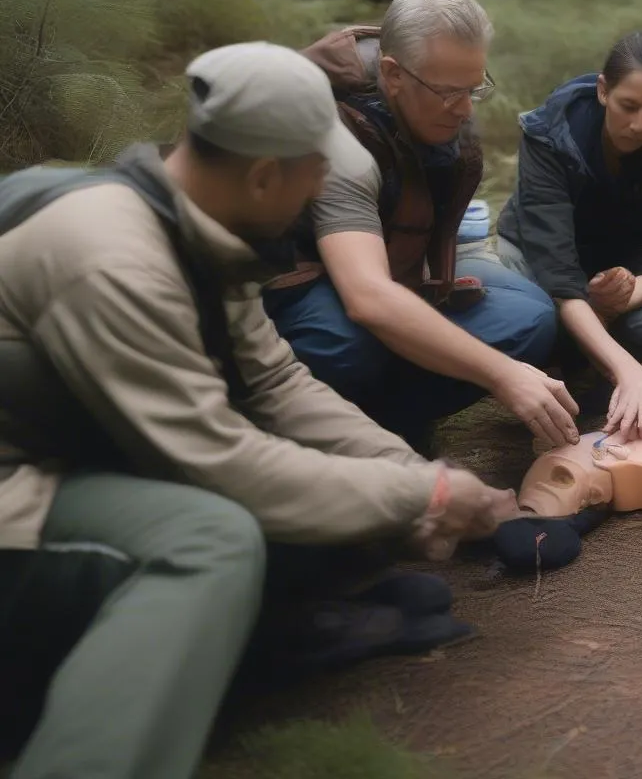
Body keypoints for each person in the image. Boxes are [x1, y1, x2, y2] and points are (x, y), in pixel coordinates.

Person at [0, 41, 517, 779]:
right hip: (18, 494)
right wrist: (422, 495)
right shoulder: (116, 258)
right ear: (266, 174)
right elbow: (218, 463)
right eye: (316, 174)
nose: (319, 192)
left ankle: (242, 640)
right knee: (212, 538)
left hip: (75, 460)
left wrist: (403, 471)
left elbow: (276, 386)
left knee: (345, 502)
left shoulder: (199, 228)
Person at [263, 0, 579, 453]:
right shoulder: (335, 133)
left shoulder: (429, 103)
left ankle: (383, 413)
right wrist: (502, 374)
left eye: (475, 88)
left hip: (390, 271)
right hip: (294, 293)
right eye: (451, 93)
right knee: (348, 342)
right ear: (393, 75)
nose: (467, 108)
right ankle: (331, 429)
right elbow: (368, 297)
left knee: (529, 315)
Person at [495, 30, 642, 441]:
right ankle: (583, 342)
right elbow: (554, 263)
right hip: (540, 261)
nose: (639, 125)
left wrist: (623, 297)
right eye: (628, 106)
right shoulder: (549, 135)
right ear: (604, 90)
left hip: (618, 278)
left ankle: (584, 339)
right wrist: (628, 372)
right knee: (528, 313)